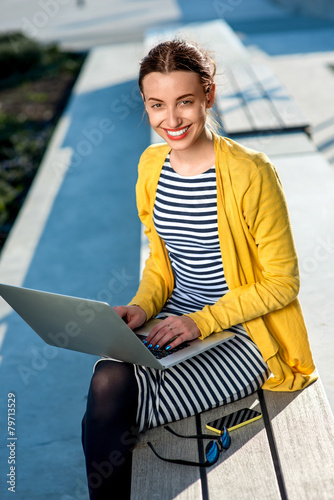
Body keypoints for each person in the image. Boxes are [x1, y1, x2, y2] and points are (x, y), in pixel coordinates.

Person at [81, 39, 316, 499]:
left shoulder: (252, 173)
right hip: (175, 317)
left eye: (184, 102)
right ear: (146, 106)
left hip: (245, 333)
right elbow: (160, 261)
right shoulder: (151, 165)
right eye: (157, 105)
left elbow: (283, 282)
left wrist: (200, 322)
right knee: (106, 377)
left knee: (110, 393)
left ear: (208, 95)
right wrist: (141, 306)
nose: (171, 119)